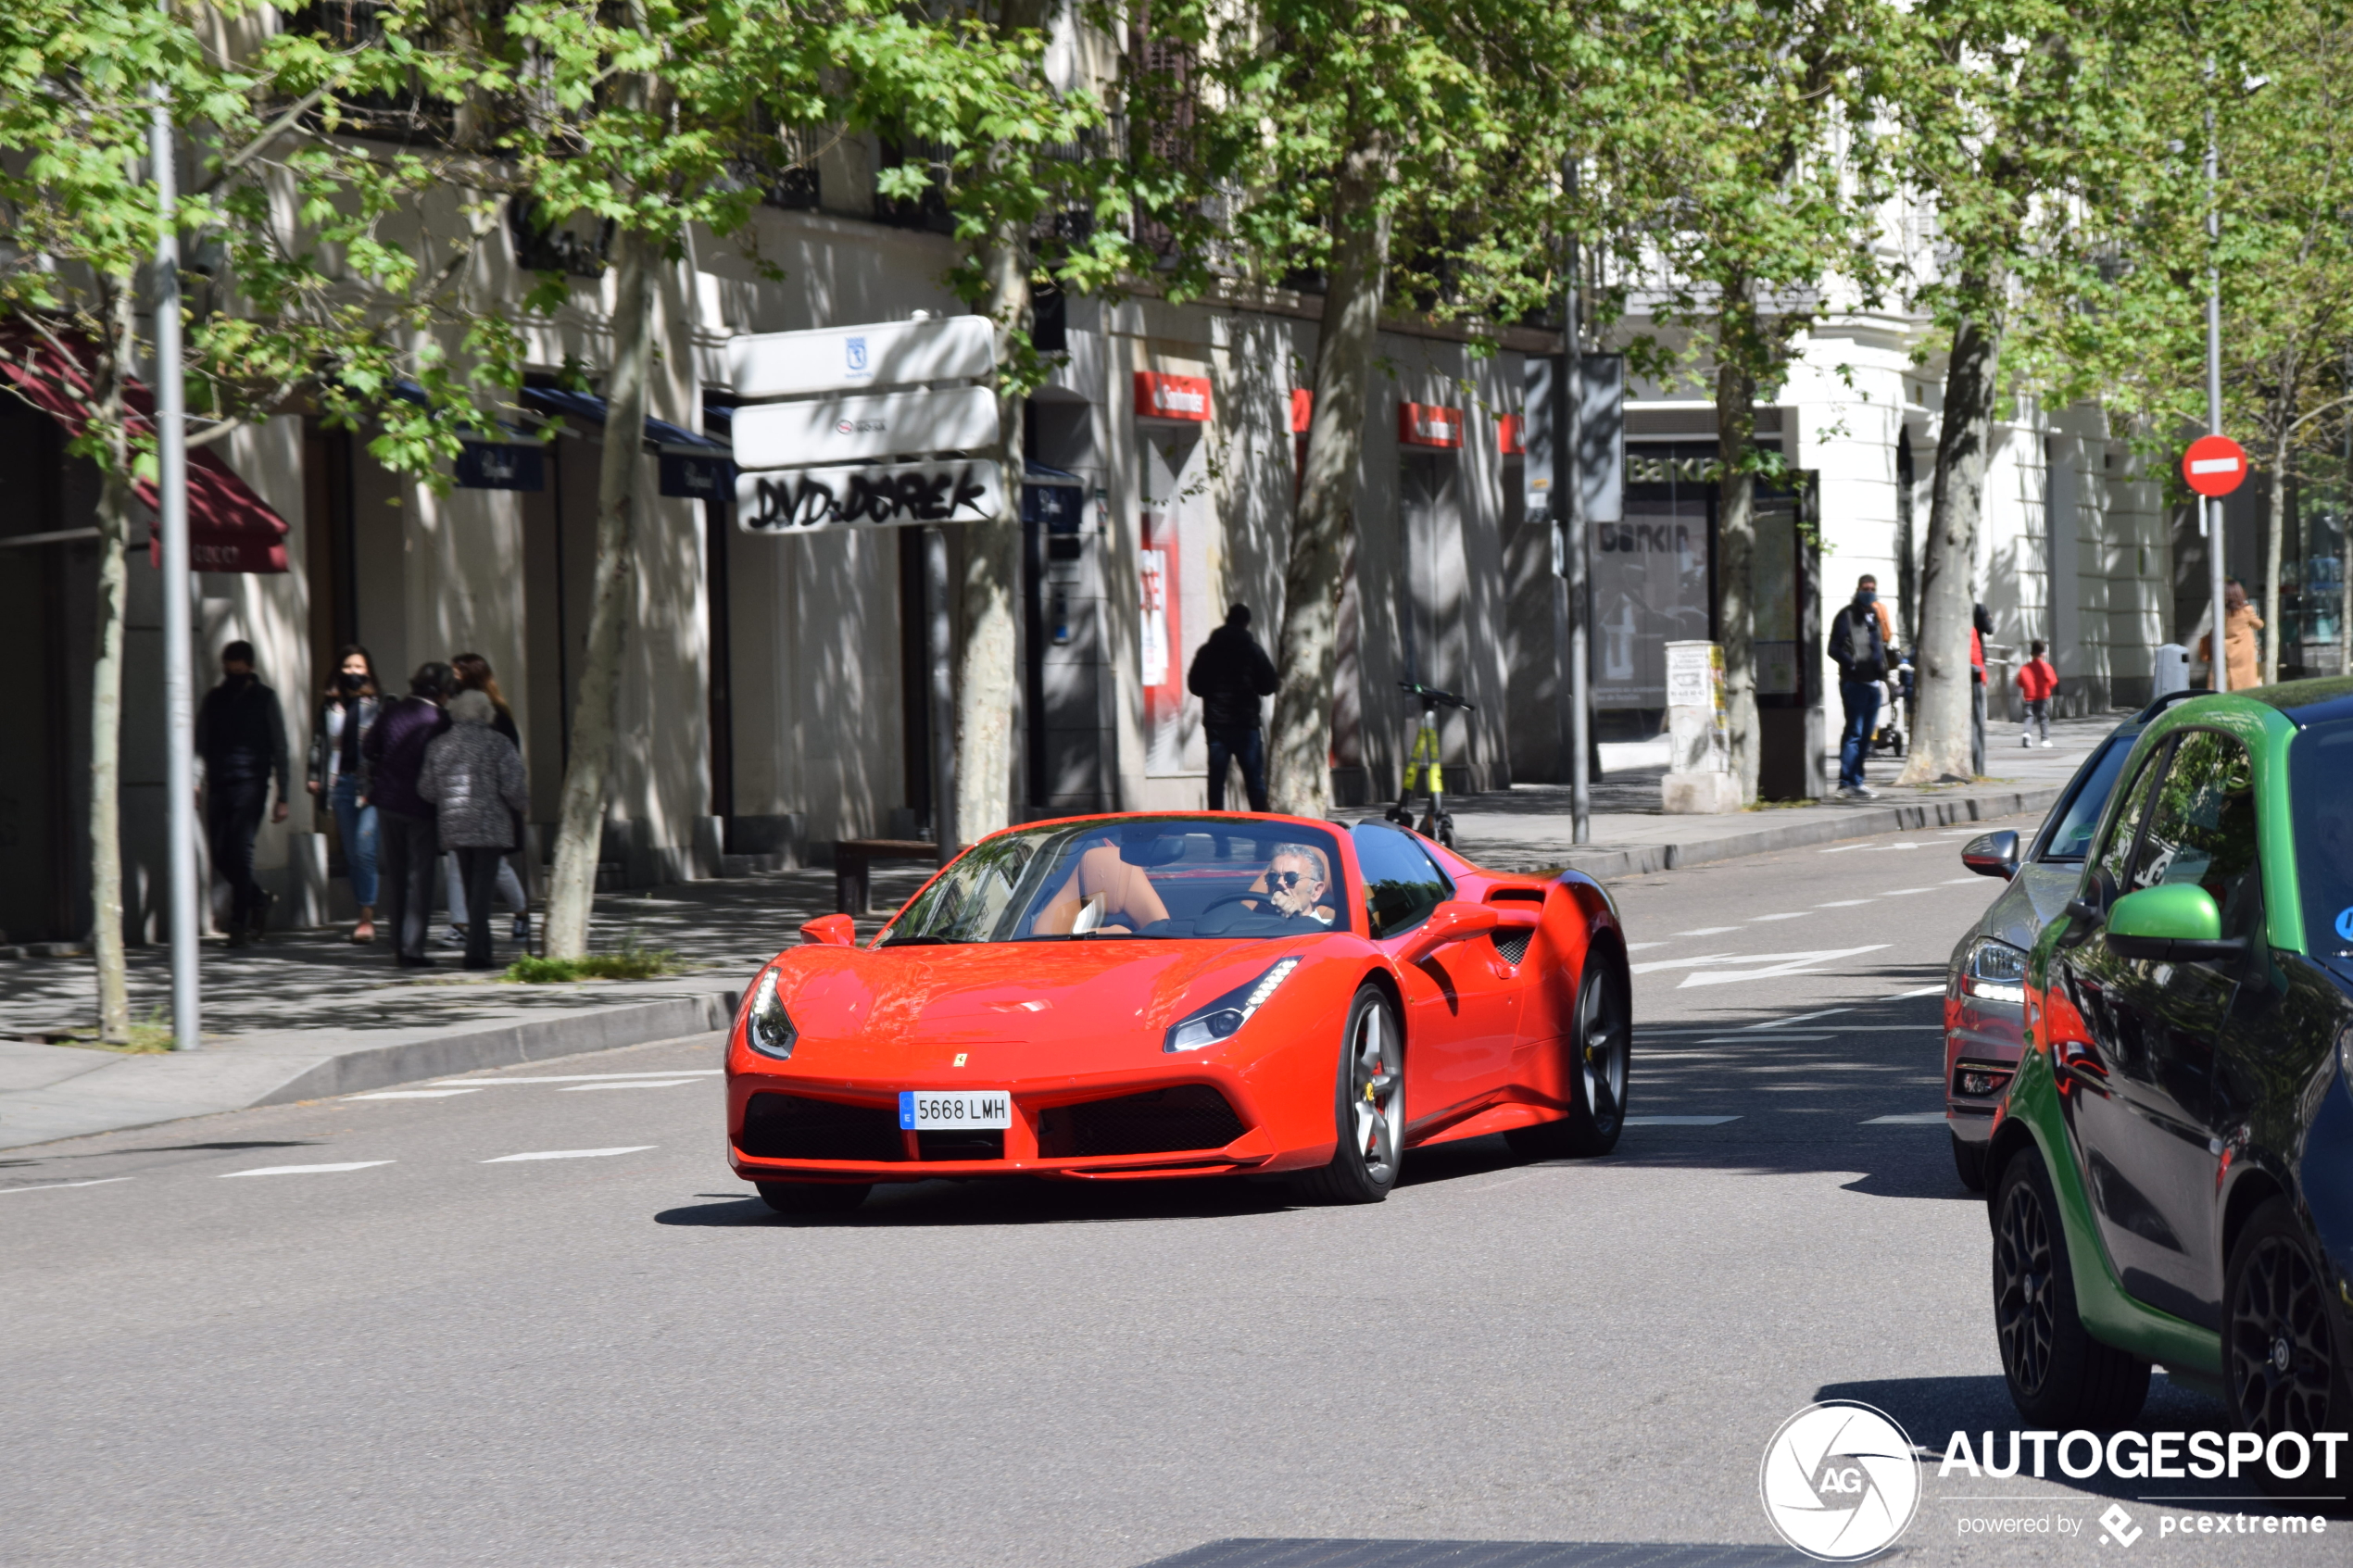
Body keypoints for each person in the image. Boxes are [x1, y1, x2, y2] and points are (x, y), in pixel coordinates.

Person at [419, 690, 531, 971]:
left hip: (454, 826)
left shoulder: (438, 744)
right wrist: (524, 805)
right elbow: (513, 786)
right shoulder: (499, 743)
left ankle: (481, 948)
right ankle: (476, 954)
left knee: (472, 889)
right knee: (481, 888)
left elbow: (427, 790)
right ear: (486, 714)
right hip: (489, 825)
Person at [195, 640, 290, 946]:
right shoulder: (215, 699)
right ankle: (258, 899)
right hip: (219, 782)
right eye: (229, 670)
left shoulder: (265, 699)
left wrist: (283, 794)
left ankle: (239, 924)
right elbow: (201, 742)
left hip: (252, 781)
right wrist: (196, 779)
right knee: (221, 853)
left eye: (239, 670)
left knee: (241, 850)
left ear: (250, 668)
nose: (233, 675)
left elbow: (280, 746)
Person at [440, 653, 531, 948]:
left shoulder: (497, 716)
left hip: (489, 807)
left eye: (457, 674)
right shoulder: (452, 711)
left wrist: (516, 801)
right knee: (455, 863)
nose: (451, 680)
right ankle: (460, 924)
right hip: (461, 804)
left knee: (497, 867)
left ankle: (520, 912)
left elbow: (509, 765)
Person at [365, 663, 452, 967]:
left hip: (388, 800)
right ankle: (413, 948)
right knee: (420, 877)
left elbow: (368, 747)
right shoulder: (441, 719)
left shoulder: (392, 710)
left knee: (397, 875)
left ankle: (397, 945)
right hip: (421, 804)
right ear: (443, 692)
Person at [307, 646, 382, 942]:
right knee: (352, 853)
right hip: (341, 785)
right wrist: (313, 776)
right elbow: (318, 743)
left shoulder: (379, 704)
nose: (353, 672)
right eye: (348, 666)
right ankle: (363, 909)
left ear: (368, 671)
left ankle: (367, 919)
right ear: (340, 669)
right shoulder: (330, 706)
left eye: (359, 667)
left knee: (365, 849)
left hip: (371, 787)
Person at [1187, 603, 1279, 812]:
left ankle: (1217, 826)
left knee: (1217, 781)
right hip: (1246, 725)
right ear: (1246, 624)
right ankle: (1262, 826)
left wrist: (1213, 691)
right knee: (1254, 781)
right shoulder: (1253, 651)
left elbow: (1195, 686)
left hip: (1217, 725)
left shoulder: (1207, 651)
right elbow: (1269, 686)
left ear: (1227, 620)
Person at [1828, 579, 1888, 799]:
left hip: (1873, 684)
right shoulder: (1847, 615)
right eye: (1866, 589)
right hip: (1854, 684)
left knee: (1865, 737)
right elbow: (1833, 648)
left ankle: (1857, 781)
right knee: (1854, 732)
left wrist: (1883, 672)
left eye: (1872, 590)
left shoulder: (1874, 615)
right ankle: (1845, 783)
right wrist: (1851, 663)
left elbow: (1879, 647)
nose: (1869, 593)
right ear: (1858, 590)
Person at [2197, 581, 2264, 692]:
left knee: (2224, 677)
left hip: (2224, 650)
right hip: (2243, 651)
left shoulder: (2220, 611)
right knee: (2245, 679)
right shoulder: (2246, 610)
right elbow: (2259, 625)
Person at [2016, 639, 2057, 748]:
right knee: (2043, 718)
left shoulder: (2025, 668)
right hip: (2042, 697)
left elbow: (2019, 681)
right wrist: (2046, 687)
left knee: (2029, 717)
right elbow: (2053, 681)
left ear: (2031, 654)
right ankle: (2044, 739)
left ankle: (2026, 734)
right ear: (2043, 654)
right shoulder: (2046, 667)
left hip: (2029, 697)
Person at [1970, 603, 1994, 777]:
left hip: (1976, 670)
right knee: (1977, 721)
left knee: (1977, 721)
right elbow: (1989, 629)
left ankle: (1978, 767)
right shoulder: (1978, 610)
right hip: (1975, 671)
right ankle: (1978, 768)